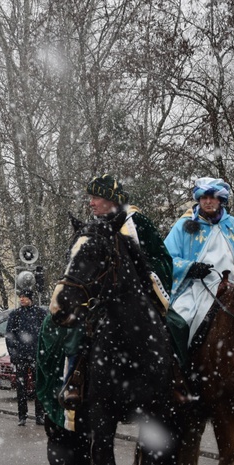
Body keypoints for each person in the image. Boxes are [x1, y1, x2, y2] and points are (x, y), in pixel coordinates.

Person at [59, 173, 182, 408]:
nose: (91, 203)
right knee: (73, 332)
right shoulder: (90, 228)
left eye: (95, 197)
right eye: (90, 198)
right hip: (97, 304)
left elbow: (163, 259)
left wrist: (143, 279)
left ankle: (178, 382)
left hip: (138, 298)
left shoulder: (138, 223)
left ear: (111, 200)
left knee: (178, 326)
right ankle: (73, 382)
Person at [164, 177, 234, 351]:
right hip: (195, 289)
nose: (208, 202)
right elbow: (166, 258)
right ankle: (181, 367)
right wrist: (190, 268)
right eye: (204, 198)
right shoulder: (184, 226)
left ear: (220, 200)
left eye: (212, 197)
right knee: (179, 321)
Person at [6, 289, 47, 426]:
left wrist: (44, 352)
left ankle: (39, 415)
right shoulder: (16, 314)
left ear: (30, 298)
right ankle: (22, 416)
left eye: (24, 297)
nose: (22, 299)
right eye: (20, 297)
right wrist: (13, 354)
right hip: (21, 356)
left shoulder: (40, 313)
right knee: (21, 387)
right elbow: (10, 336)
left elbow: (46, 333)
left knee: (38, 386)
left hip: (37, 355)